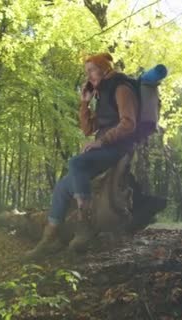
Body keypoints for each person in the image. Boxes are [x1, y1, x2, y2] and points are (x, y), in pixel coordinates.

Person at [24, 52, 139, 258]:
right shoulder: (101, 94)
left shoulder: (121, 88)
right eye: (86, 72)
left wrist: (101, 141)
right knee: (62, 187)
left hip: (117, 147)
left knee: (76, 162)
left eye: (92, 70)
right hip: (103, 147)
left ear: (104, 69)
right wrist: (84, 103)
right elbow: (87, 130)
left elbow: (129, 123)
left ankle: (84, 226)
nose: (89, 76)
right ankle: (49, 239)